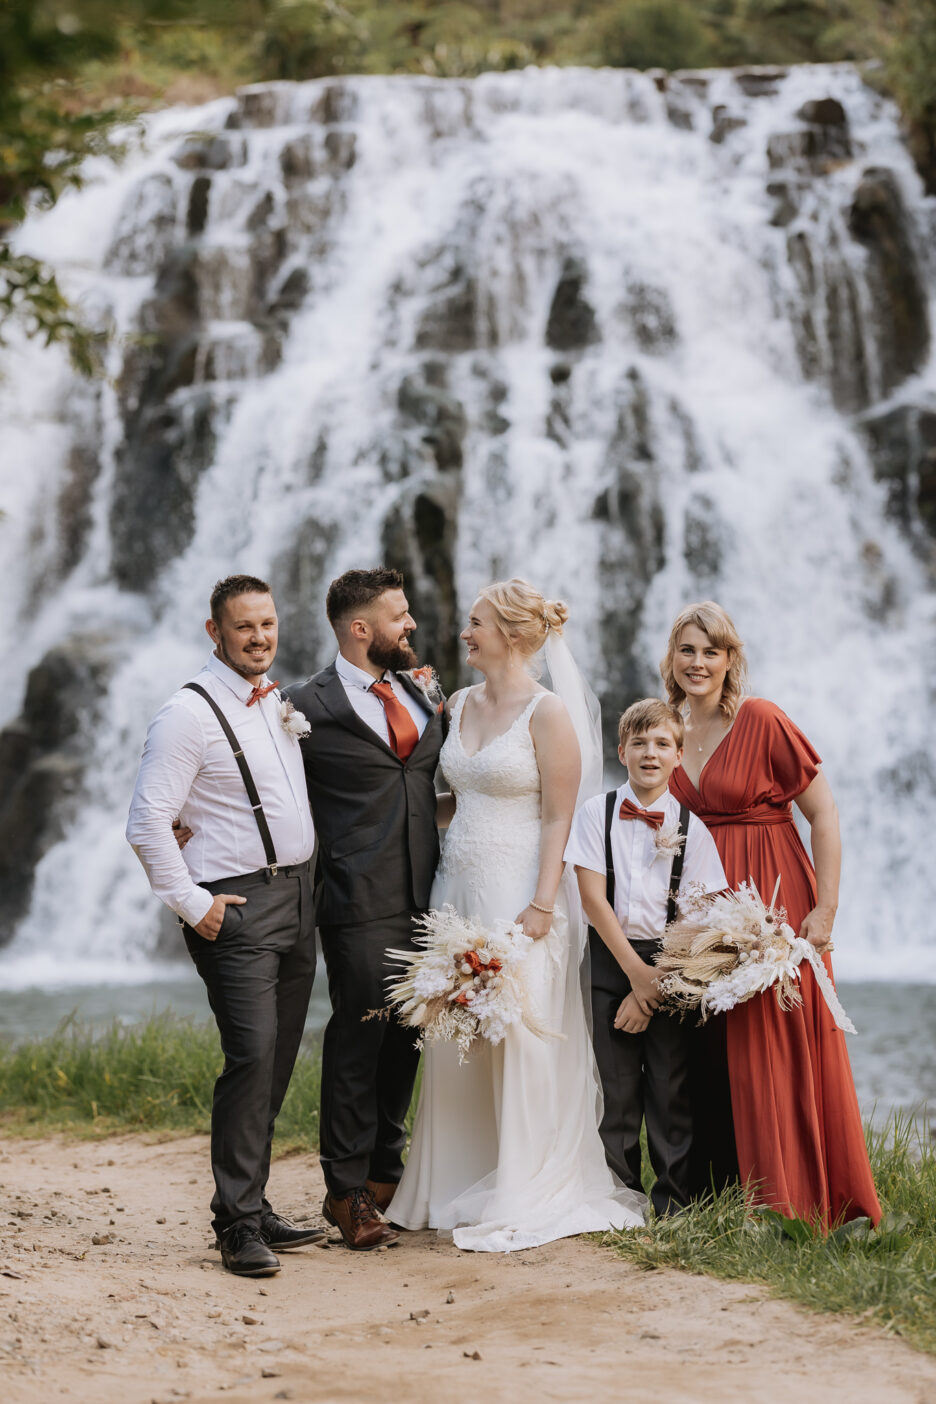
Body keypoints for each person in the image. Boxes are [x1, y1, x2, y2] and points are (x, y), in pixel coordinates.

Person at [389, 578, 645, 1251]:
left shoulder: (548, 712)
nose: (463, 632)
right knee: (460, 1031)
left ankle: (526, 1182)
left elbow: (561, 813)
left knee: (521, 1032)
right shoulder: (462, 702)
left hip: (523, 890)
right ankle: (454, 1180)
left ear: (511, 633)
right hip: (459, 885)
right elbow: (450, 799)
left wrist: (540, 902)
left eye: (475, 623)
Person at [127, 575, 322, 1277]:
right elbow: (148, 822)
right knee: (251, 1058)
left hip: (299, 901)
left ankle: (254, 1201)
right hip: (235, 908)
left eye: (267, 624)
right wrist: (193, 902)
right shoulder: (188, 713)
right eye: (244, 627)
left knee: (275, 1061)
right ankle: (237, 1226)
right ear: (215, 632)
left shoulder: (277, 702)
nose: (259, 638)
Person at [663, 600, 881, 1226]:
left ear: (731, 660)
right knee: (713, 1050)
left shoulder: (761, 719)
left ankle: (801, 1196)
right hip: (706, 906)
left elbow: (824, 813)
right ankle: (724, 1195)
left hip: (774, 895)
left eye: (711, 651)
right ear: (671, 658)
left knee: (776, 1039)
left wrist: (826, 908)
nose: (698, 662)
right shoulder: (670, 729)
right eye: (687, 650)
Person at [284, 568, 446, 1251]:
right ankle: (345, 1189)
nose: (411, 624)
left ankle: (386, 1172)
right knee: (359, 1038)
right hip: (354, 899)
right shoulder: (302, 707)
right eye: (398, 615)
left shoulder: (421, 691)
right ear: (360, 629)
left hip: (433, 895)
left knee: (410, 1036)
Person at [566, 699, 727, 1217]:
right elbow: (592, 898)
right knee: (615, 1091)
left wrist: (655, 982)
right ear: (621, 751)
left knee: (670, 1089)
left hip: (673, 965)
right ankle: (621, 1200)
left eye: (661, 744)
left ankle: (675, 1203)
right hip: (611, 959)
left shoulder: (693, 829)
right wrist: (636, 979)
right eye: (639, 743)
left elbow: (698, 914)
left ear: (679, 755)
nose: (650, 753)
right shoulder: (597, 812)